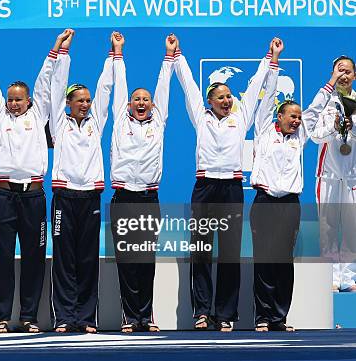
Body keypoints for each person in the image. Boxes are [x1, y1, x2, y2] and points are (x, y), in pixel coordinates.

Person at [174, 38, 277, 331]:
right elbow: (189, 85)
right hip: (205, 188)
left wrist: (270, 57)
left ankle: (225, 314)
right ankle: (203, 312)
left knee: (230, 253)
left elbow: (257, 85)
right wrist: (177, 55)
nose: (227, 100)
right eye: (221, 96)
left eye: (229, 96)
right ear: (210, 101)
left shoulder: (241, 118)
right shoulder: (200, 117)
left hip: (231, 189)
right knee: (202, 251)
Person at [250, 38, 336, 331]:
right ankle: (262, 316)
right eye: (293, 116)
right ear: (280, 116)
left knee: (284, 263)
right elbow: (267, 96)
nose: (298, 120)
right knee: (263, 262)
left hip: (289, 205)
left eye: (299, 117)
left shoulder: (300, 137)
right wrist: (274, 60)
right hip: (264, 203)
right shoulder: (264, 130)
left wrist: (332, 81)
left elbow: (315, 108)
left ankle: (279, 317)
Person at [0, 31, 64, 333]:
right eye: (10, 99)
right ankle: (3, 316)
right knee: (3, 256)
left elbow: (44, 82)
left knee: (33, 256)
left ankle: (29, 316)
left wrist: (54, 50)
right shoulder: (0, 117)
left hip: (34, 197)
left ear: (29, 100)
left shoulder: (38, 113)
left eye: (19, 99)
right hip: (3, 197)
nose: (14, 104)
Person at [109, 32, 176, 333]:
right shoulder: (120, 120)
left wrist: (169, 56)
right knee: (126, 261)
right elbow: (118, 87)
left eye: (145, 100)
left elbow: (164, 87)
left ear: (152, 105)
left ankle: (146, 316)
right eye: (136, 99)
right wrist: (118, 52)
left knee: (146, 260)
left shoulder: (158, 121)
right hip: (123, 197)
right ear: (128, 105)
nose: (141, 102)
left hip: (149, 198)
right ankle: (129, 315)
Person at [49, 29, 113, 333]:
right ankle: (64, 316)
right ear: (68, 103)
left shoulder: (96, 123)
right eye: (80, 101)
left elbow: (106, 89)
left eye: (88, 101)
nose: (86, 104)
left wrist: (114, 55)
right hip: (64, 197)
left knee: (88, 260)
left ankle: (87, 317)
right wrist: (63, 52)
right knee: (64, 261)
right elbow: (56, 85)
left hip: (90, 198)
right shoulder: (58, 124)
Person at [310, 56, 356, 293]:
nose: (344, 75)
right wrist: (333, 127)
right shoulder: (325, 103)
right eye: (339, 71)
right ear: (333, 73)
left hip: (353, 177)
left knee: (351, 227)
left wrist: (352, 127)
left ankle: (347, 278)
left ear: (354, 75)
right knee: (328, 227)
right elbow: (314, 135)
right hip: (326, 174)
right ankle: (331, 277)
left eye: (348, 71)